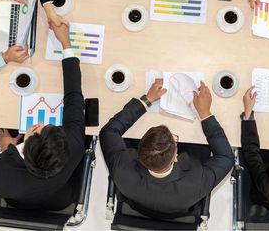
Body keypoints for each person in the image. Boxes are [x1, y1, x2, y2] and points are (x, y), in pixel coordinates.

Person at [0, 21, 86, 210]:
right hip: (59, 198)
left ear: (27, 139)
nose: (40, 123)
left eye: (38, 127)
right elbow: (74, 96)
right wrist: (66, 45)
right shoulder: (74, 146)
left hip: (21, 200)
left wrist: (4, 151)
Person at [100, 80, 234, 219]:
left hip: (141, 204)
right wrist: (205, 113)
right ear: (176, 157)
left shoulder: (121, 169)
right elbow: (226, 157)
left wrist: (147, 100)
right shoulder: (196, 183)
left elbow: (108, 131)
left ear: (138, 150)